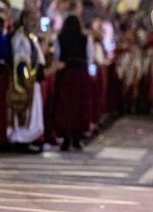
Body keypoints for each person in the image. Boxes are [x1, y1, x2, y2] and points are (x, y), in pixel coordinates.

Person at [7, 8, 45, 151]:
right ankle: (20, 140)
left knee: (32, 112)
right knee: (23, 110)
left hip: (32, 80)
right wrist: (26, 79)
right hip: (23, 82)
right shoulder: (20, 38)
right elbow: (20, 61)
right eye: (31, 19)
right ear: (24, 20)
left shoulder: (31, 37)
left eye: (36, 19)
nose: (34, 23)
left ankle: (29, 139)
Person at [54, 15, 93, 150]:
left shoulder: (60, 38)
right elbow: (90, 57)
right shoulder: (85, 39)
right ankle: (77, 137)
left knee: (65, 106)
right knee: (79, 105)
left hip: (66, 75)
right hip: (81, 74)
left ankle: (65, 137)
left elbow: (57, 56)